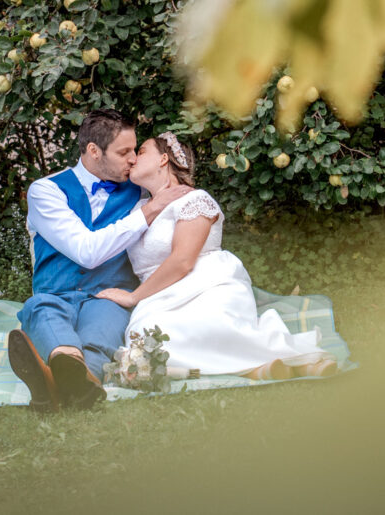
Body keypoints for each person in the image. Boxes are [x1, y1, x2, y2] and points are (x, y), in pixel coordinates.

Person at [97, 132, 337, 380]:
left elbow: (183, 261)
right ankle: (258, 368)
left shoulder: (194, 199)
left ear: (163, 159)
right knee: (148, 339)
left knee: (208, 327)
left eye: (142, 151)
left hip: (206, 284)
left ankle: (291, 360)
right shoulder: (139, 210)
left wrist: (133, 297)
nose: (133, 159)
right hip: (158, 297)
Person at [8, 110, 191, 411]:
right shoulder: (46, 191)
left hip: (108, 296)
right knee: (41, 310)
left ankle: (61, 384)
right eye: (124, 152)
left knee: (102, 331)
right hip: (55, 294)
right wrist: (149, 212)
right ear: (93, 151)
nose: (133, 159)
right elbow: (86, 251)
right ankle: (69, 371)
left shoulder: (141, 190)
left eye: (135, 150)